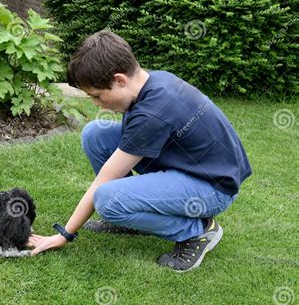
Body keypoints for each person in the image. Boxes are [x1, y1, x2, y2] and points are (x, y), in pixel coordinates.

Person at [27, 30, 252, 272]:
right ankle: (134, 219)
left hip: (213, 187)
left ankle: (198, 232)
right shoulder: (153, 81)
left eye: (97, 95)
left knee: (107, 200)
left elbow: (103, 181)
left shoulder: (152, 112)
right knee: (95, 134)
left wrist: (65, 234)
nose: (96, 103)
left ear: (120, 80)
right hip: (189, 166)